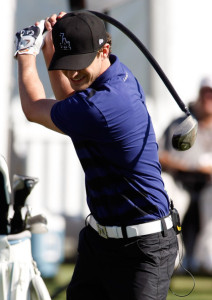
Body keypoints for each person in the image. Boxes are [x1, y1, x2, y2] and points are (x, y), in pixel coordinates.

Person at [15, 11, 178, 300]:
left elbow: (33, 108)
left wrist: (27, 53)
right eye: (66, 65)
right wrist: (55, 49)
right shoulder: (115, 75)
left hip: (143, 249)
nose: (72, 74)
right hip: (100, 241)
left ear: (104, 50)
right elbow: (69, 102)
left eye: (78, 65)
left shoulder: (106, 105)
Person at [159, 76, 212, 272]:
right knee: (167, 192)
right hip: (179, 183)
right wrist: (185, 166)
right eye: (205, 93)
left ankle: (206, 259)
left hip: (208, 187)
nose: (208, 98)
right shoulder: (180, 124)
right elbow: (159, 155)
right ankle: (174, 258)